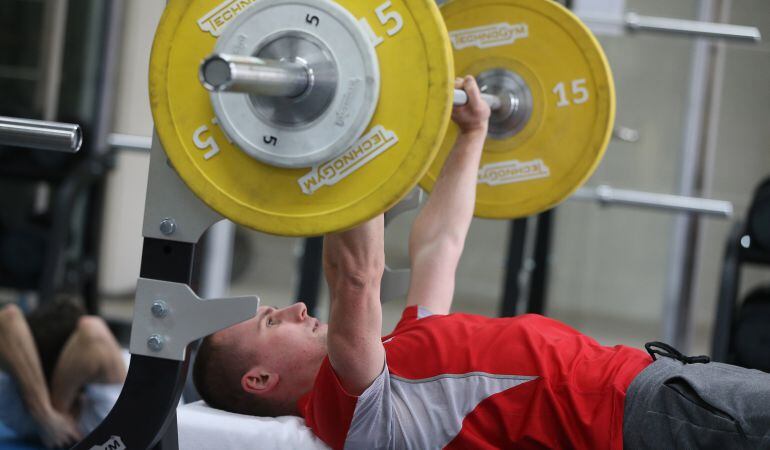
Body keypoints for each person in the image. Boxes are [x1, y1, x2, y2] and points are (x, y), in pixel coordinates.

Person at [192, 76, 770, 449]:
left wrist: (472, 135)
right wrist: (345, 135)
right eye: (272, 321)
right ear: (260, 379)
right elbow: (356, 277)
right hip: (642, 420)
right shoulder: (358, 413)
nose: (294, 309)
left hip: (663, 385)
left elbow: (438, 244)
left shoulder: (403, 359)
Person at [0, 300, 126, 448]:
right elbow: (8, 317)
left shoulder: (112, 403)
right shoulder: (12, 388)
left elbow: (92, 331)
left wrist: (57, 409)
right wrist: (45, 415)